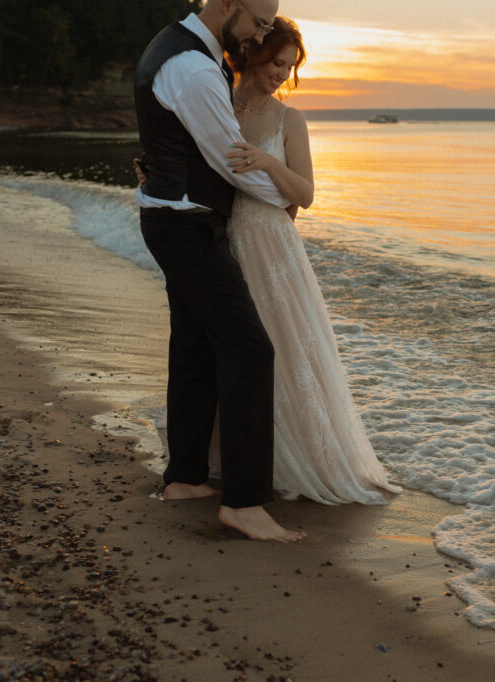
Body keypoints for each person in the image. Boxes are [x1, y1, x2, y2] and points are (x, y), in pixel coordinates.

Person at [139, 17, 399, 505]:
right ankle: (215, 465)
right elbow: (192, 158)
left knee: (277, 348)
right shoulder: (216, 100)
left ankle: (284, 461)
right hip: (221, 235)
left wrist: (269, 162)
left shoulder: (289, 120)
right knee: (223, 351)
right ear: (253, 55)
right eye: (277, 61)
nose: (283, 73)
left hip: (273, 246)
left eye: (290, 66)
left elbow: (305, 195)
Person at [134, 0, 304, 542]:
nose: (260, 37)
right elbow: (227, 158)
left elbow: (177, 143)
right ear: (228, 5)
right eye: (259, 23)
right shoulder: (193, 66)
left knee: (194, 348)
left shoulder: (183, 50)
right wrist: (280, 200)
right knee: (250, 351)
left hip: (172, 218)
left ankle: (184, 477)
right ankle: (245, 502)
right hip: (189, 224)